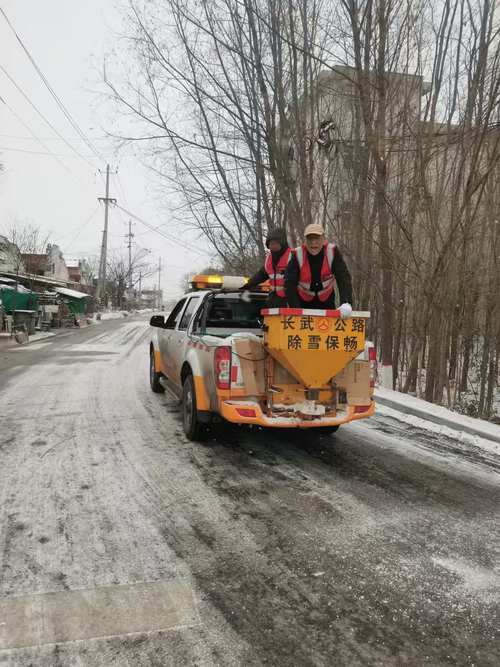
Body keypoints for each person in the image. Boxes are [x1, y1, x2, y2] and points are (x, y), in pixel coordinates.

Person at [285, 223, 353, 317]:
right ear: (305, 241)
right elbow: (289, 283)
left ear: (324, 239)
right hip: (302, 301)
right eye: (310, 239)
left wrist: (346, 302)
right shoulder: (297, 254)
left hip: (326, 300)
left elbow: (343, 278)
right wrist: (295, 308)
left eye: (317, 238)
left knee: (327, 330)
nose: (313, 243)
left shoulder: (332, 252)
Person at [244, 228, 292, 307]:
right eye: (271, 244)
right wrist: (249, 284)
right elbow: (261, 275)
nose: (273, 246)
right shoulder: (269, 259)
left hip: (290, 298)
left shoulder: (292, 256)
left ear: (282, 243)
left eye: (276, 243)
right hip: (273, 297)